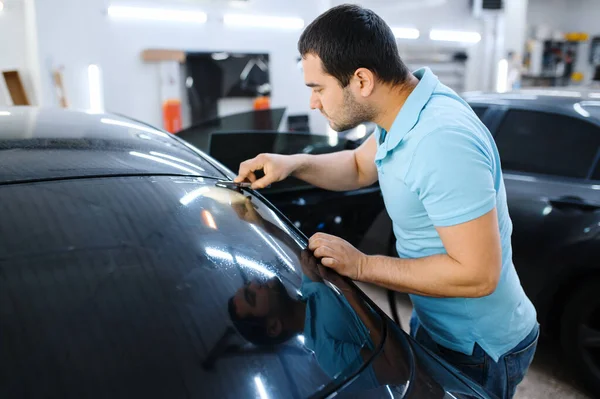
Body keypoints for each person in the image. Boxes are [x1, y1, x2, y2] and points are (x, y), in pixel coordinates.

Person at [233, 4, 538, 399]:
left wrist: (361, 264)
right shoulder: (405, 112)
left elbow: (479, 274)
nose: (313, 102)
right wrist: (292, 163)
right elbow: (360, 165)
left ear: (361, 80)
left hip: (478, 345)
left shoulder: (440, 140)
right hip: (439, 321)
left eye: (318, 88)